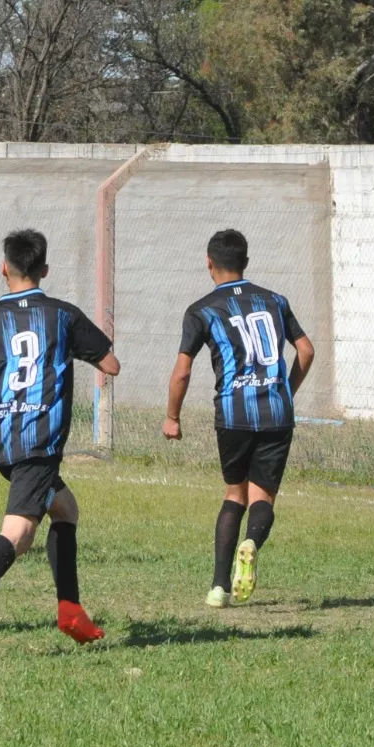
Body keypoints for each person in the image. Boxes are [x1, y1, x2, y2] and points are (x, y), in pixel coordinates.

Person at [0, 229, 119, 655]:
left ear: (4, 268)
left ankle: (70, 609)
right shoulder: (63, 315)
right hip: (39, 442)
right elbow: (112, 364)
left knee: (65, 509)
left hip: (2, 441)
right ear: (45, 270)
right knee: (18, 533)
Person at [162, 229, 315, 608]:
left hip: (233, 414)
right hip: (277, 412)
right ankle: (252, 542)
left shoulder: (202, 310)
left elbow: (182, 372)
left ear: (209, 262)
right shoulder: (275, 300)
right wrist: (286, 391)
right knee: (263, 497)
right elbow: (307, 351)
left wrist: (172, 417)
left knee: (235, 494)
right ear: (246, 262)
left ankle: (218, 587)